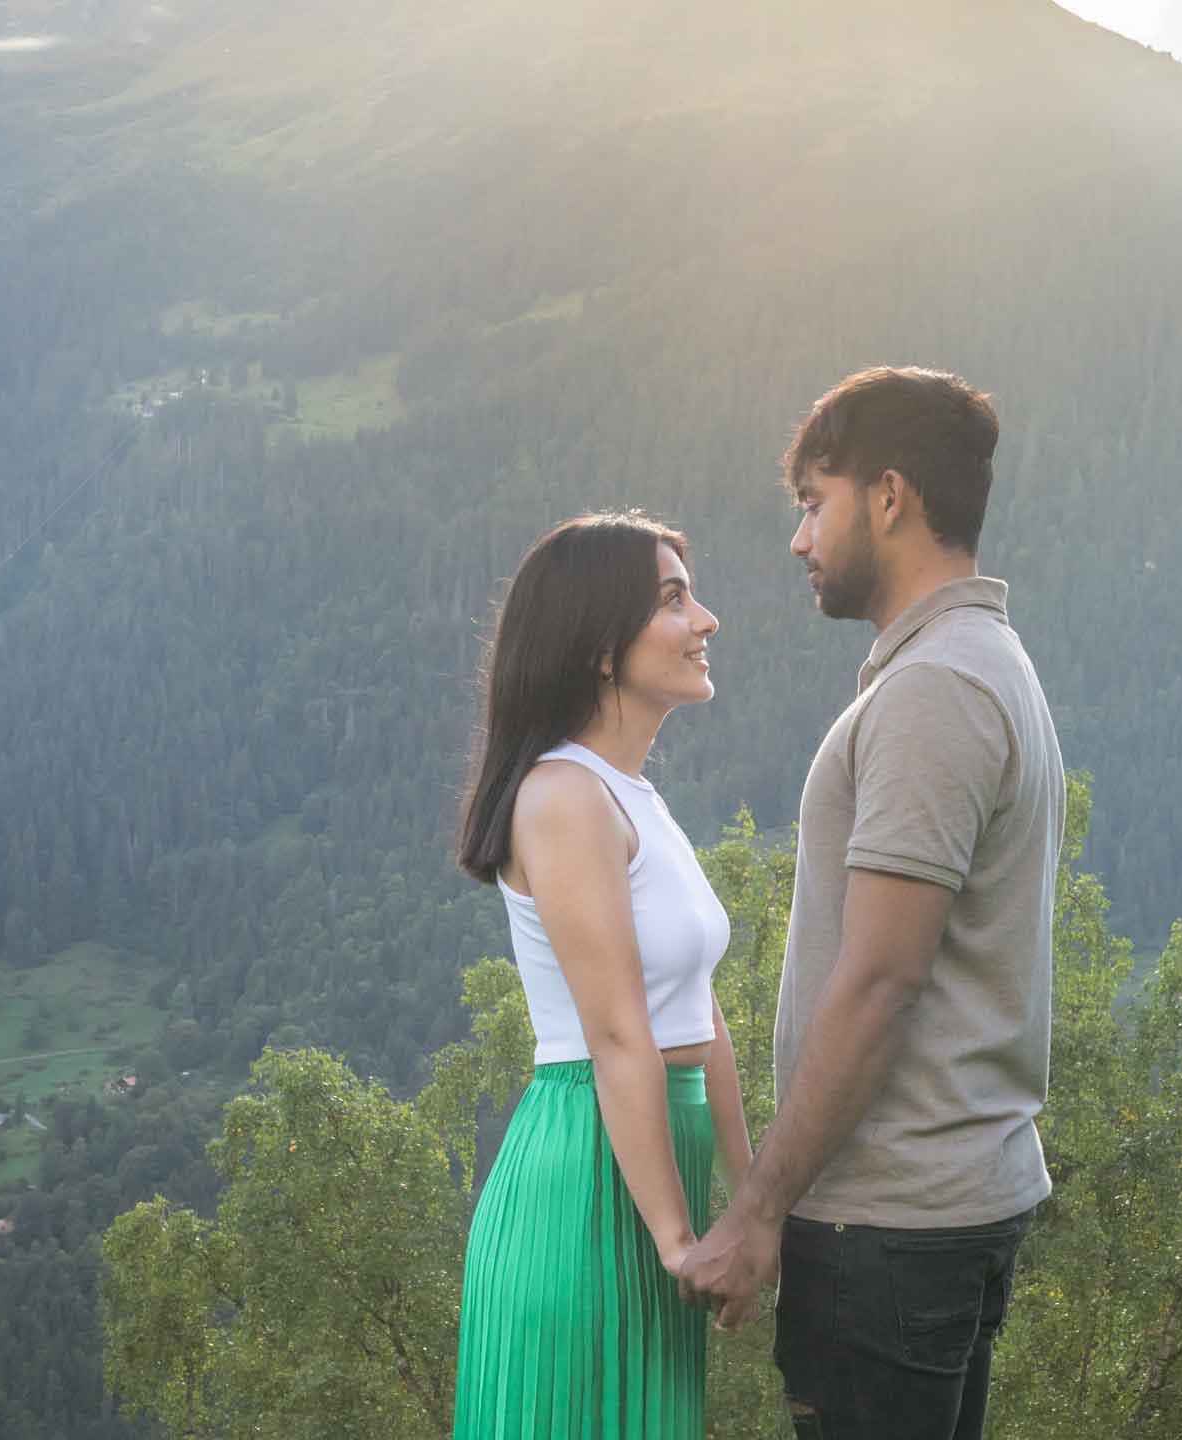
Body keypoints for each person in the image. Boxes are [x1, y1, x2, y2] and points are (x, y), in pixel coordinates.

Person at [678, 367, 1066, 1439]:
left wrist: (758, 1211)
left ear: (889, 498)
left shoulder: (937, 688)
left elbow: (883, 978)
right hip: (929, 1216)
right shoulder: (973, 663)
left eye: (815, 502)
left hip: (887, 1230)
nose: (801, 539)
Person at [453, 511, 753, 1439]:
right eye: (673, 600)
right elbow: (619, 1034)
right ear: (597, 648)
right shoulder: (561, 797)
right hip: (587, 1185)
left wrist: (754, 1207)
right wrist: (676, 1236)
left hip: (654, 1169)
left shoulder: (634, 798)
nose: (706, 620)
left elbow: (699, 1022)